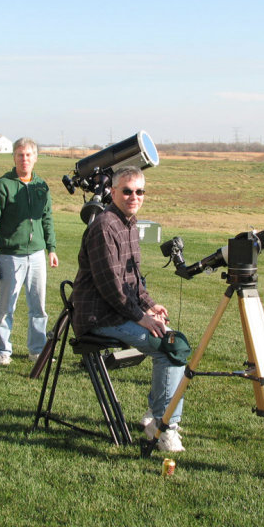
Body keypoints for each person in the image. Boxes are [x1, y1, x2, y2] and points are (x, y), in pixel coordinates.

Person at [71, 165, 187, 452]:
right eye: (127, 191)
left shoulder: (130, 223)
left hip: (118, 310)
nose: (133, 196)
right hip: (97, 316)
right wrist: (142, 318)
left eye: (139, 191)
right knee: (169, 346)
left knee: (175, 344)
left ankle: (157, 418)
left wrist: (150, 305)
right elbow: (111, 286)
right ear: (113, 192)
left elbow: (133, 280)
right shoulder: (104, 227)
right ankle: (164, 427)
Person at [0, 137, 59, 365]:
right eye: (20, 155)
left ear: (35, 158)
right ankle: (3, 351)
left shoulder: (41, 187)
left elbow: (47, 219)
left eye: (28, 155)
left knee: (39, 307)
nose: (24, 159)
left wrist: (51, 249)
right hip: (10, 256)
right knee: (7, 307)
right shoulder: (2, 186)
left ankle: (37, 350)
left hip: (36, 256)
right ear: (14, 157)